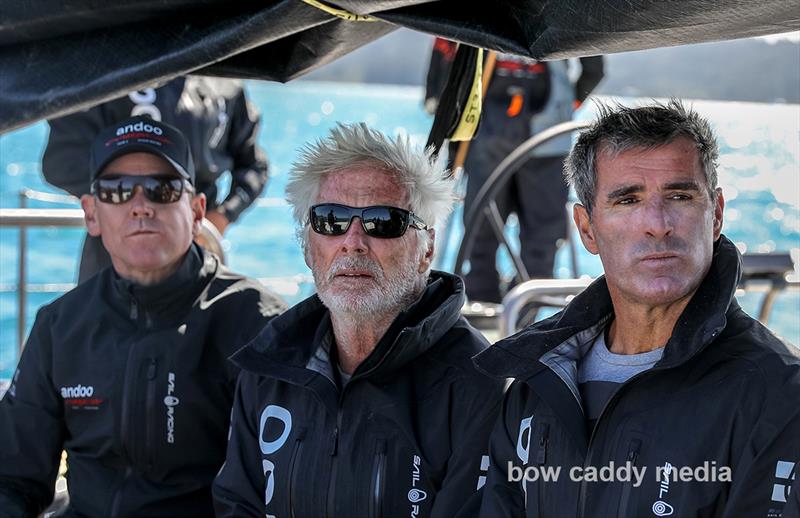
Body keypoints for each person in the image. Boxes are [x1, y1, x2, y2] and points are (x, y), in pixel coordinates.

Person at [473, 100, 800, 517]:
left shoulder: (779, 395)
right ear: (587, 228)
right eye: (627, 200)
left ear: (715, 215)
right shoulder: (534, 385)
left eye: (679, 195)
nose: (657, 223)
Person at [212, 123, 505, 517]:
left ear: (426, 247)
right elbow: (237, 506)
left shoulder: (474, 382)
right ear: (307, 246)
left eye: (383, 222)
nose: (353, 241)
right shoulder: (269, 367)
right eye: (331, 220)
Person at [0, 116, 286, 517]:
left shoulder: (256, 325)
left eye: (161, 189)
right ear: (92, 215)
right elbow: (13, 479)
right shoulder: (59, 326)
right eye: (116, 192)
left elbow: (283, 485)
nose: (140, 207)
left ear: (197, 210)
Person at [425, 38, 604, 302]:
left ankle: (496, 308)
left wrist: (568, 104)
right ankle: (521, 312)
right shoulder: (560, 17)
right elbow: (594, 68)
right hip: (533, 139)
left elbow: (445, 58)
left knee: (485, 232)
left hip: (498, 139)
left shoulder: (483, 17)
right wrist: (566, 107)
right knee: (534, 237)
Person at [42, 75, 269, 283]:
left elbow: (254, 166)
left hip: (197, 251)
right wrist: (123, 198)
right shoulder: (109, 72)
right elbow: (62, 163)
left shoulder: (224, 81)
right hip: (114, 259)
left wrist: (223, 215)